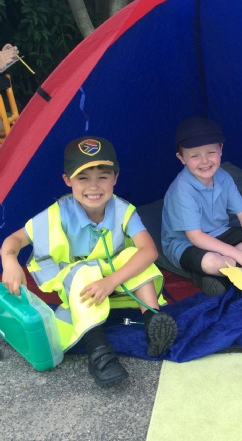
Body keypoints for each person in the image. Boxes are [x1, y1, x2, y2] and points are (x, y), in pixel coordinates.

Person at [0, 136, 178, 386]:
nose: (94, 187)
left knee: (134, 255)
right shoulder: (59, 213)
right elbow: (15, 240)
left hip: (114, 282)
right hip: (79, 284)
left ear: (115, 178)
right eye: (83, 178)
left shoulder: (124, 210)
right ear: (67, 180)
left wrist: (110, 281)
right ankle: (99, 352)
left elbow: (149, 251)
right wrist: (9, 260)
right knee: (83, 271)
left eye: (102, 177)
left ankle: (152, 320)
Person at [161, 117, 242, 296]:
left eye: (210, 152)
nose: (204, 161)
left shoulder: (223, 177)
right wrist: (239, 255)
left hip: (220, 233)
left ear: (220, 149)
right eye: (195, 156)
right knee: (211, 262)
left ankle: (227, 270)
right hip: (187, 243)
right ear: (182, 158)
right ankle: (207, 274)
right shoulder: (181, 190)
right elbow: (196, 237)